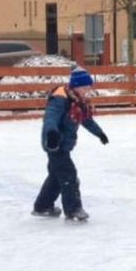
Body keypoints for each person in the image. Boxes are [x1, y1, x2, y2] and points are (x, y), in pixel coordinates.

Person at [32, 67, 109, 222]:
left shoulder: (78, 101)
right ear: (76, 86)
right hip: (55, 144)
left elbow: (86, 120)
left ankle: (42, 206)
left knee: (56, 177)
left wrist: (99, 133)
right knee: (69, 175)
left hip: (64, 144)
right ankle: (73, 209)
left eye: (89, 86)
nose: (88, 90)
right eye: (85, 86)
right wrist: (52, 133)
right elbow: (50, 118)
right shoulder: (60, 99)